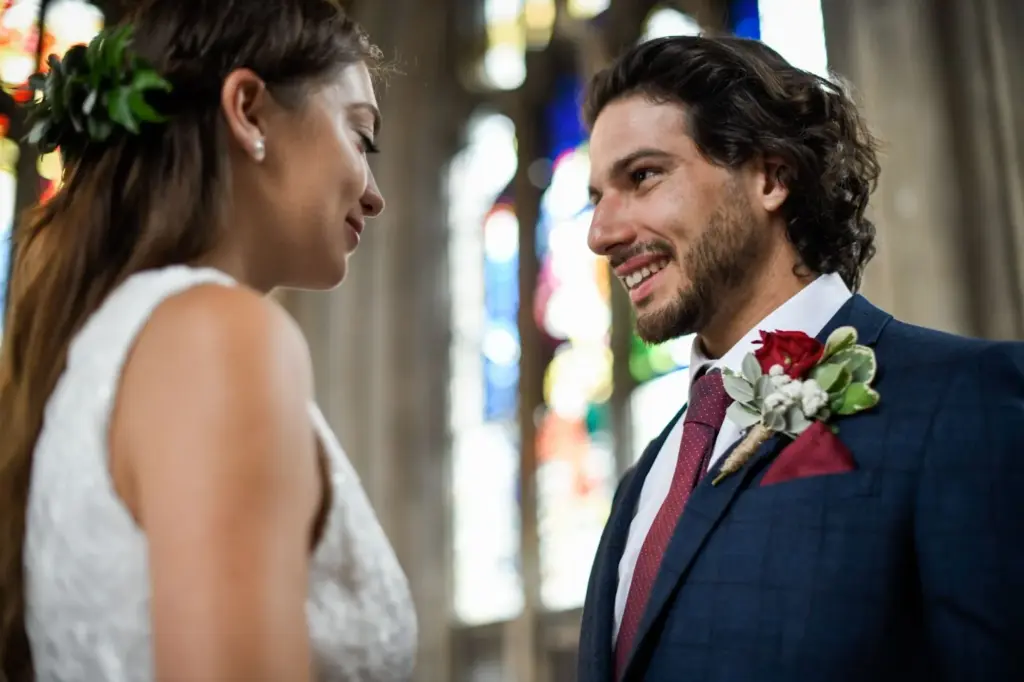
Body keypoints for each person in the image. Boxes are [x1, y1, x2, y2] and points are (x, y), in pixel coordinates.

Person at [578, 35, 1024, 682]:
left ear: (771, 175)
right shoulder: (647, 479)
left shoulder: (963, 401)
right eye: (596, 197)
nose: (601, 233)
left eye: (643, 177)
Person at [0, 2, 416, 681]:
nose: (375, 195)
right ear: (248, 110)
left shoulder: (115, 349)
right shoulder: (216, 336)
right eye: (360, 137)